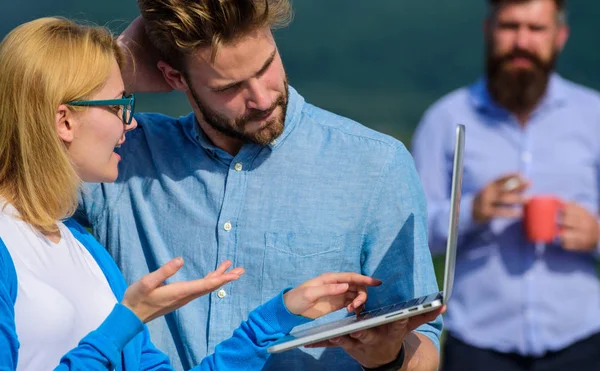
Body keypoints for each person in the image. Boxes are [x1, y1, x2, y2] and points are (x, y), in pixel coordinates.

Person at [75, 0, 445, 370]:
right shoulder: (120, 156)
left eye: (266, 66)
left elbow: (424, 342)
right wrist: (116, 66)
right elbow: (26, 143)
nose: (263, 98)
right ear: (174, 78)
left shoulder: (376, 163)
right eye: (229, 87)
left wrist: (388, 357)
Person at [0, 16, 385, 370]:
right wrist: (128, 320)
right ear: (64, 121)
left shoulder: (84, 247)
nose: (130, 123)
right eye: (119, 105)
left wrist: (278, 316)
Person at [411, 0, 600, 370]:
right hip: (477, 343)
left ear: (560, 36)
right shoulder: (445, 119)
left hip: (580, 340)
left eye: (536, 29)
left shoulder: (593, 115)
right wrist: (469, 212)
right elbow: (414, 235)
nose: (521, 42)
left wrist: (596, 233)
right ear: (488, 30)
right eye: (510, 26)